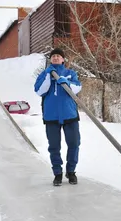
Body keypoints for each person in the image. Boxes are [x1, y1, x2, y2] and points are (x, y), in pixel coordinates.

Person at [34, 48, 82, 186]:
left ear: (63, 59)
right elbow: (39, 91)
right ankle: (58, 173)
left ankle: (71, 171)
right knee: (54, 146)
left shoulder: (70, 73)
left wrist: (66, 82)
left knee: (74, 144)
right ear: (50, 59)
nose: (55, 58)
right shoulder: (44, 74)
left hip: (69, 114)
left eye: (58, 56)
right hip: (51, 116)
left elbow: (77, 87)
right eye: (53, 56)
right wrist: (49, 77)